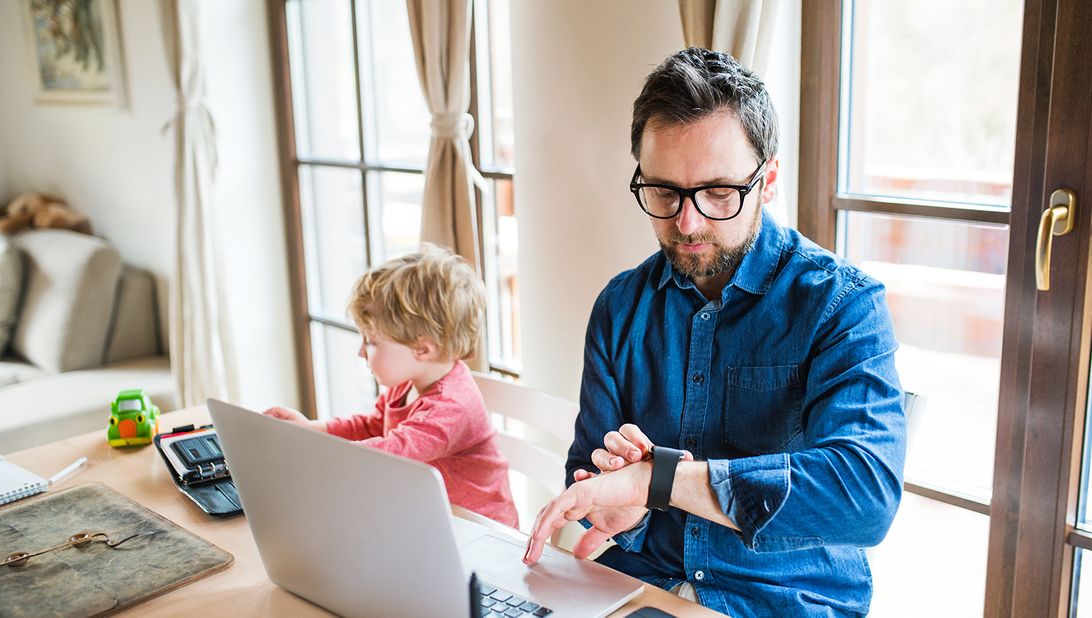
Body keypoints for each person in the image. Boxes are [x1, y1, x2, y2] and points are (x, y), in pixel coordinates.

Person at [521, 48, 904, 617]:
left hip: (781, 604)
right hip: (638, 588)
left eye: (719, 193)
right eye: (664, 193)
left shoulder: (841, 305)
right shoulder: (620, 307)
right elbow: (588, 473)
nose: (688, 222)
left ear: (767, 179)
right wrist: (623, 510)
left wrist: (661, 481)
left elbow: (865, 496)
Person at [266, 245, 518, 528]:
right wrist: (312, 430)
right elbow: (373, 425)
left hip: (479, 531)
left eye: (371, 342)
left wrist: (320, 458)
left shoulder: (453, 405)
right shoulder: (410, 383)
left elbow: (393, 452)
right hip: (431, 516)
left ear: (422, 349)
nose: (361, 352)